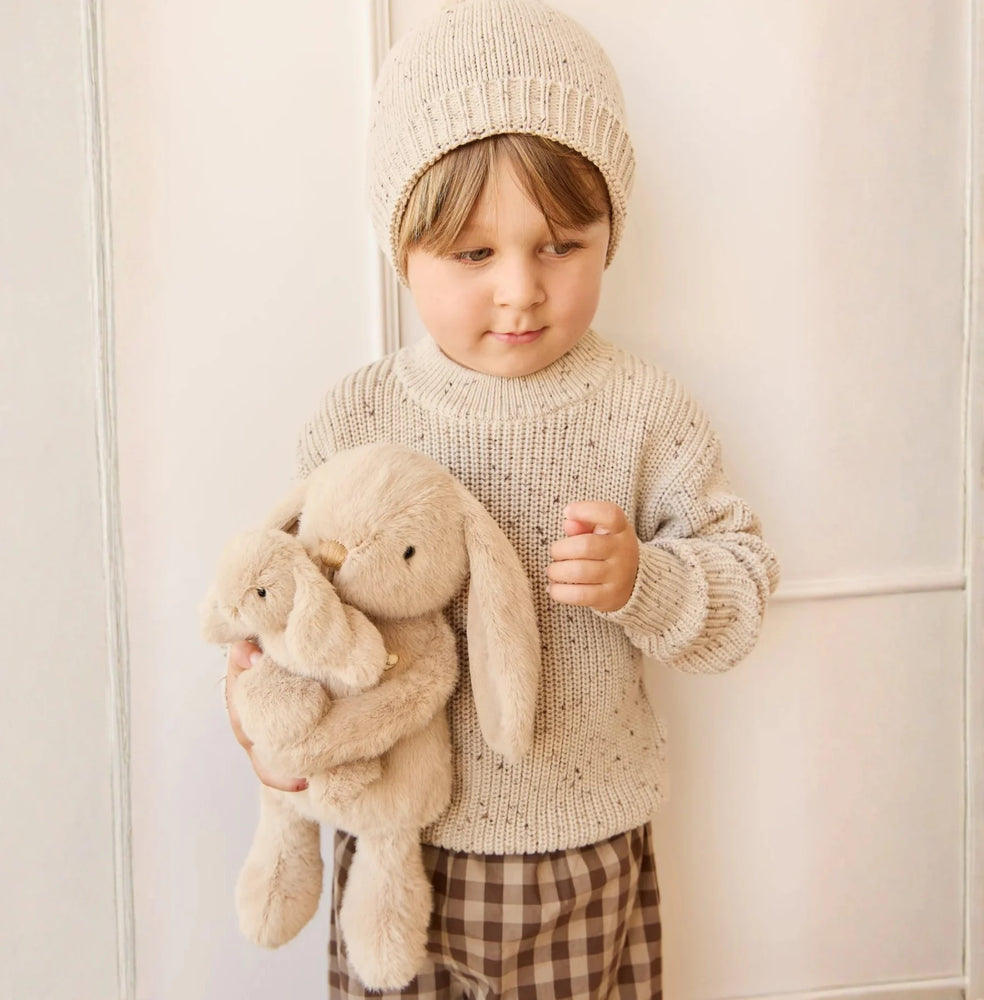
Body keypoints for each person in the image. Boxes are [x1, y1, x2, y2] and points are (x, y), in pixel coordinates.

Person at [226, 1, 780, 996]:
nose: (520, 290)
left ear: (609, 231)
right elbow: (282, 611)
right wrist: (263, 707)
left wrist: (640, 583)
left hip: (580, 849)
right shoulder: (356, 419)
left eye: (560, 244)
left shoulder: (641, 413)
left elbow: (737, 594)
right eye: (473, 255)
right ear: (403, 251)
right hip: (395, 842)